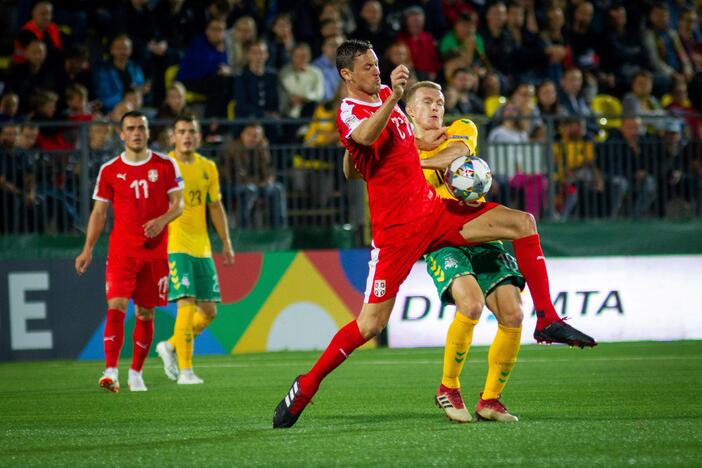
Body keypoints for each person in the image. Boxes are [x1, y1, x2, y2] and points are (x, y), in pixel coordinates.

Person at [272, 39, 595, 429]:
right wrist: (390, 103)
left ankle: (547, 319)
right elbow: (357, 146)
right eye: (368, 67)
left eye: (377, 65)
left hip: (434, 211)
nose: (377, 71)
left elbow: (380, 153)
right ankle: (306, 386)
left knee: (523, 222)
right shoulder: (351, 109)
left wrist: (398, 130)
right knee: (369, 325)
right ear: (346, 75)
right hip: (396, 234)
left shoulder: (393, 109)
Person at [407, 82, 524, 423]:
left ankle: (490, 400)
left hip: (480, 231)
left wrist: (417, 158)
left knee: (514, 314)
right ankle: (449, 387)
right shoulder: (400, 147)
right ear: (410, 111)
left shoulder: (462, 128)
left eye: (440, 102)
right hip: (441, 239)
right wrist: (414, 148)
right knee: (470, 304)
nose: (436, 108)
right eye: (427, 102)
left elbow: (456, 155)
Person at [74, 110, 184, 393]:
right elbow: (99, 213)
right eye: (131, 128)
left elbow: (179, 204)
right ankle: (110, 370)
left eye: (141, 128)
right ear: (121, 134)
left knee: (146, 314)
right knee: (116, 306)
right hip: (122, 251)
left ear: (148, 133)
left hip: (155, 253)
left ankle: (136, 372)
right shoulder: (109, 170)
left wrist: (162, 220)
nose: (136, 133)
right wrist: (87, 249)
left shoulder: (166, 165)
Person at [155, 115, 235, 385]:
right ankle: (186, 371)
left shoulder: (208, 168)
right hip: (175, 244)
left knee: (210, 311)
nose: (187, 136)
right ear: (172, 137)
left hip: (202, 246)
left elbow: (214, 206)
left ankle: (170, 346)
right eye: (181, 131)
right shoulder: (164, 166)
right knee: (186, 303)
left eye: (191, 131)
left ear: (198, 137)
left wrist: (225, 241)